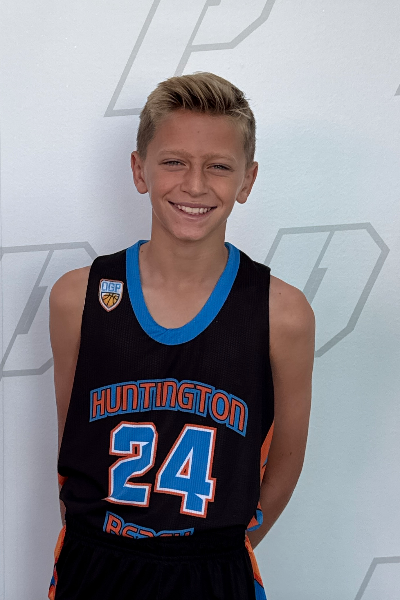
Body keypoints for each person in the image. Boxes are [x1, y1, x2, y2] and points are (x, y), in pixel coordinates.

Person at [48, 72, 315, 600]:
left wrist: (216, 550)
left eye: (219, 166)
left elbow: (285, 464)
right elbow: (72, 445)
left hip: (212, 568)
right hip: (95, 562)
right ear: (139, 169)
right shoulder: (78, 297)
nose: (195, 185)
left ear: (247, 180)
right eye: (174, 162)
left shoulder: (282, 313)